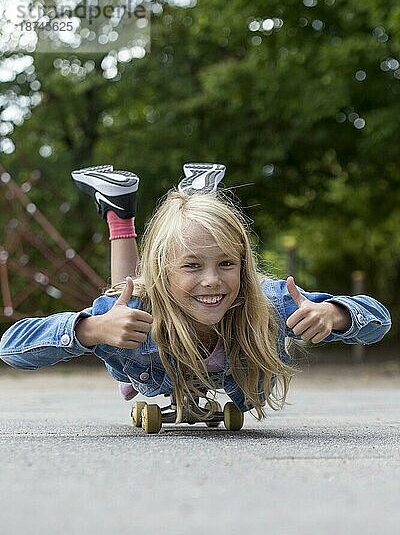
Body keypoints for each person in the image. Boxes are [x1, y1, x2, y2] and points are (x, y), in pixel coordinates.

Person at [0, 164, 392, 424]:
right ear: (162, 273)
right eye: (191, 266)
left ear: (243, 263)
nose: (212, 282)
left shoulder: (268, 302)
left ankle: (190, 198)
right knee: (127, 301)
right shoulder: (126, 315)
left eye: (226, 264)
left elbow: (379, 320)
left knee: (134, 298)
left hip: (183, 357)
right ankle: (123, 214)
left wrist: (337, 314)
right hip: (146, 352)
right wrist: (90, 330)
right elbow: (11, 347)